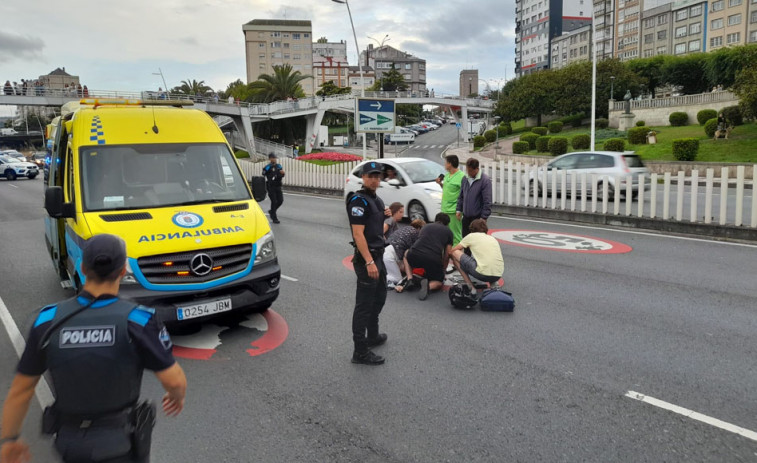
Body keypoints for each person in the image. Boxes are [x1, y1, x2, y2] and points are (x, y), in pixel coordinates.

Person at [0, 234, 187, 463]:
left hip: (70, 444)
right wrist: (176, 396)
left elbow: (21, 390)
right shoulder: (138, 320)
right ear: (123, 270)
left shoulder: (47, 321)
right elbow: (175, 381)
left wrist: (9, 440)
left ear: (82, 267)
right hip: (120, 444)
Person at [346, 162, 389, 366]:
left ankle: (372, 335)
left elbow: (376, 226)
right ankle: (360, 351)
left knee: (379, 297)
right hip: (367, 259)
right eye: (370, 176)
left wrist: (385, 215)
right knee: (363, 306)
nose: (374, 179)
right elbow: (358, 234)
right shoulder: (358, 201)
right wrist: (369, 261)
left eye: (377, 176)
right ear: (363, 177)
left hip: (378, 255)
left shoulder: (376, 200)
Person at [398, 213, 453, 301]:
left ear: (436, 220)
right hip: (433, 259)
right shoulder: (449, 232)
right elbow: (447, 254)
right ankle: (428, 286)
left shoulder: (425, 226)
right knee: (438, 282)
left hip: (415, 254)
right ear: (447, 223)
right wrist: (443, 271)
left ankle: (410, 278)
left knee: (406, 254)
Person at [449, 219, 504, 292]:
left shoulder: (471, 236)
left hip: (481, 274)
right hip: (498, 275)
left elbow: (453, 250)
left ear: (472, 229)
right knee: (487, 260)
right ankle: (493, 284)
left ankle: (471, 288)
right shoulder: (492, 238)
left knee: (455, 253)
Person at [456, 157, 492, 238]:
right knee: (466, 240)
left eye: (471, 171)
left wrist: (484, 217)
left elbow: (487, 200)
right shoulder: (465, 178)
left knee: (477, 242)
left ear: (477, 169)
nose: (468, 173)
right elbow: (461, 196)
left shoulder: (485, 180)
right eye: (467, 170)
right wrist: (459, 209)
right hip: (466, 216)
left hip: (477, 218)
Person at [383, 218, 425, 288]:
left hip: (386, 251)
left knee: (398, 270)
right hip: (389, 255)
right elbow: (413, 252)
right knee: (397, 279)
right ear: (419, 228)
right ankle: (380, 278)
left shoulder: (404, 229)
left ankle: (383, 274)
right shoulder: (415, 233)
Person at [436, 154, 464, 245]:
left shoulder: (461, 177)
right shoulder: (447, 175)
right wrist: (440, 184)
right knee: (444, 234)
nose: (444, 164)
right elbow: (448, 189)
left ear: (450, 164)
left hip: (454, 211)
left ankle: (457, 255)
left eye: (446, 162)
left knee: (455, 235)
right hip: (445, 209)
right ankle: (447, 255)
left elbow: (464, 194)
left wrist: (459, 210)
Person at [262, 153, 285, 224]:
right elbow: (263, 173)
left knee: (280, 201)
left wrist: (283, 173)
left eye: (275, 158)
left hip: (278, 185)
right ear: (270, 158)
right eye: (273, 158)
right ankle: (274, 217)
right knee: (274, 201)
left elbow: (281, 174)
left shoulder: (279, 166)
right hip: (271, 186)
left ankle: (272, 211)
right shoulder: (268, 166)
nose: (274, 159)